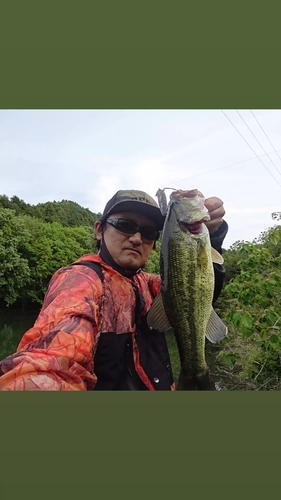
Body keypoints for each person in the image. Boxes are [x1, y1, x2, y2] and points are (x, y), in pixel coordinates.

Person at [0, 189, 228, 391]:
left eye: (149, 233)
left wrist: (212, 241)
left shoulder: (147, 284)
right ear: (99, 230)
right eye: (125, 226)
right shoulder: (81, 281)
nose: (137, 238)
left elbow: (197, 294)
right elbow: (53, 360)